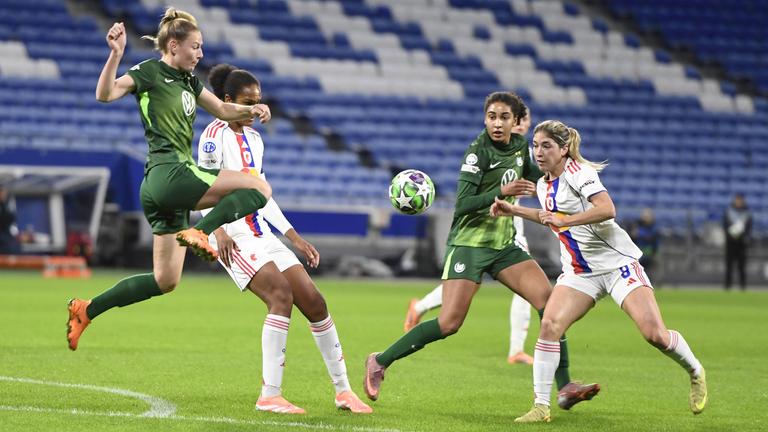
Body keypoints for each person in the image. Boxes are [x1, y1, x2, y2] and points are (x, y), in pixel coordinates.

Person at [364, 92, 598, 410]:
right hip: (469, 245)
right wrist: (502, 191)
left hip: (503, 246)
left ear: (517, 122)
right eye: (491, 116)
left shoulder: (518, 147)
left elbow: (533, 176)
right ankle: (380, 360)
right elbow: (462, 205)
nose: (497, 123)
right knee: (449, 323)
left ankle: (565, 386)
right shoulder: (478, 152)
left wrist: (569, 179)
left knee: (549, 304)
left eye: (504, 117)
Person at [66, 9, 276, 353]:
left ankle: (87, 310)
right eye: (196, 47)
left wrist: (253, 111)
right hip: (170, 173)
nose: (201, 54)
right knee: (259, 188)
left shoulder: (190, 82)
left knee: (165, 280)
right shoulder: (149, 71)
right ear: (174, 45)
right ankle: (203, 231)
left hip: (159, 190)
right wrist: (115, 56)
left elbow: (224, 111)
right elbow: (104, 94)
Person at [490, 120, 707, 422]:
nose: (538, 152)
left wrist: (566, 220)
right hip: (580, 272)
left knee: (654, 335)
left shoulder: (579, 173)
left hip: (618, 266)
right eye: (535, 146)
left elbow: (607, 209)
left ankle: (694, 369)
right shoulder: (542, 183)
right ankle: (541, 406)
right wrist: (515, 210)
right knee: (550, 326)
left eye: (546, 146)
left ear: (564, 149)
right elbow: (550, 217)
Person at [197, 63, 371, 414]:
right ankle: (270, 395)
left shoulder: (257, 140)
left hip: (261, 231)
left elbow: (263, 195)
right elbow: (203, 191)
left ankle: (344, 391)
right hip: (233, 235)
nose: (258, 109)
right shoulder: (213, 136)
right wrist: (217, 232)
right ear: (228, 101)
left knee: (315, 301)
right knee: (280, 294)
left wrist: (294, 237)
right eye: (250, 102)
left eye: (260, 101)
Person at [403, 108, 535, 365]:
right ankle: (418, 311)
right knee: (466, 288)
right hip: (479, 230)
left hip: (510, 229)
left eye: (523, 120)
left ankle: (516, 349)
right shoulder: (487, 150)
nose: (518, 124)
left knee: (523, 290)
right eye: (513, 119)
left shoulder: (524, 152)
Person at [723, 193, 751, 290]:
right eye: (737, 200)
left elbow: (748, 227)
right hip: (730, 243)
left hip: (741, 243)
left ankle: (742, 287)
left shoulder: (747, 213)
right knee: (729, 266)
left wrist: (743, 236)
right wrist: (732, 234)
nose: (739, 202)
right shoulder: (729, 212)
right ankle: (727, 287)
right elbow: (725, 226)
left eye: (740, 200)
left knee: (741, 267)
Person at [627, 207, 659, 277]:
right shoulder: (637, 225)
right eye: (644, 216)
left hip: (648, 254)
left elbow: (653, 240)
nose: (646, 218)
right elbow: (632, 236)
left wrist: (639, 234)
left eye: (648, 216)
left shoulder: (653, 227)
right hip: (637, 253)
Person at [0, 186, 20, 254]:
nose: (3, 195)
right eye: (2, 193)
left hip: (6, 237)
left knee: (14, 246)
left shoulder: (7, 205)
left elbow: (12, 219)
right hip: (3, 240)